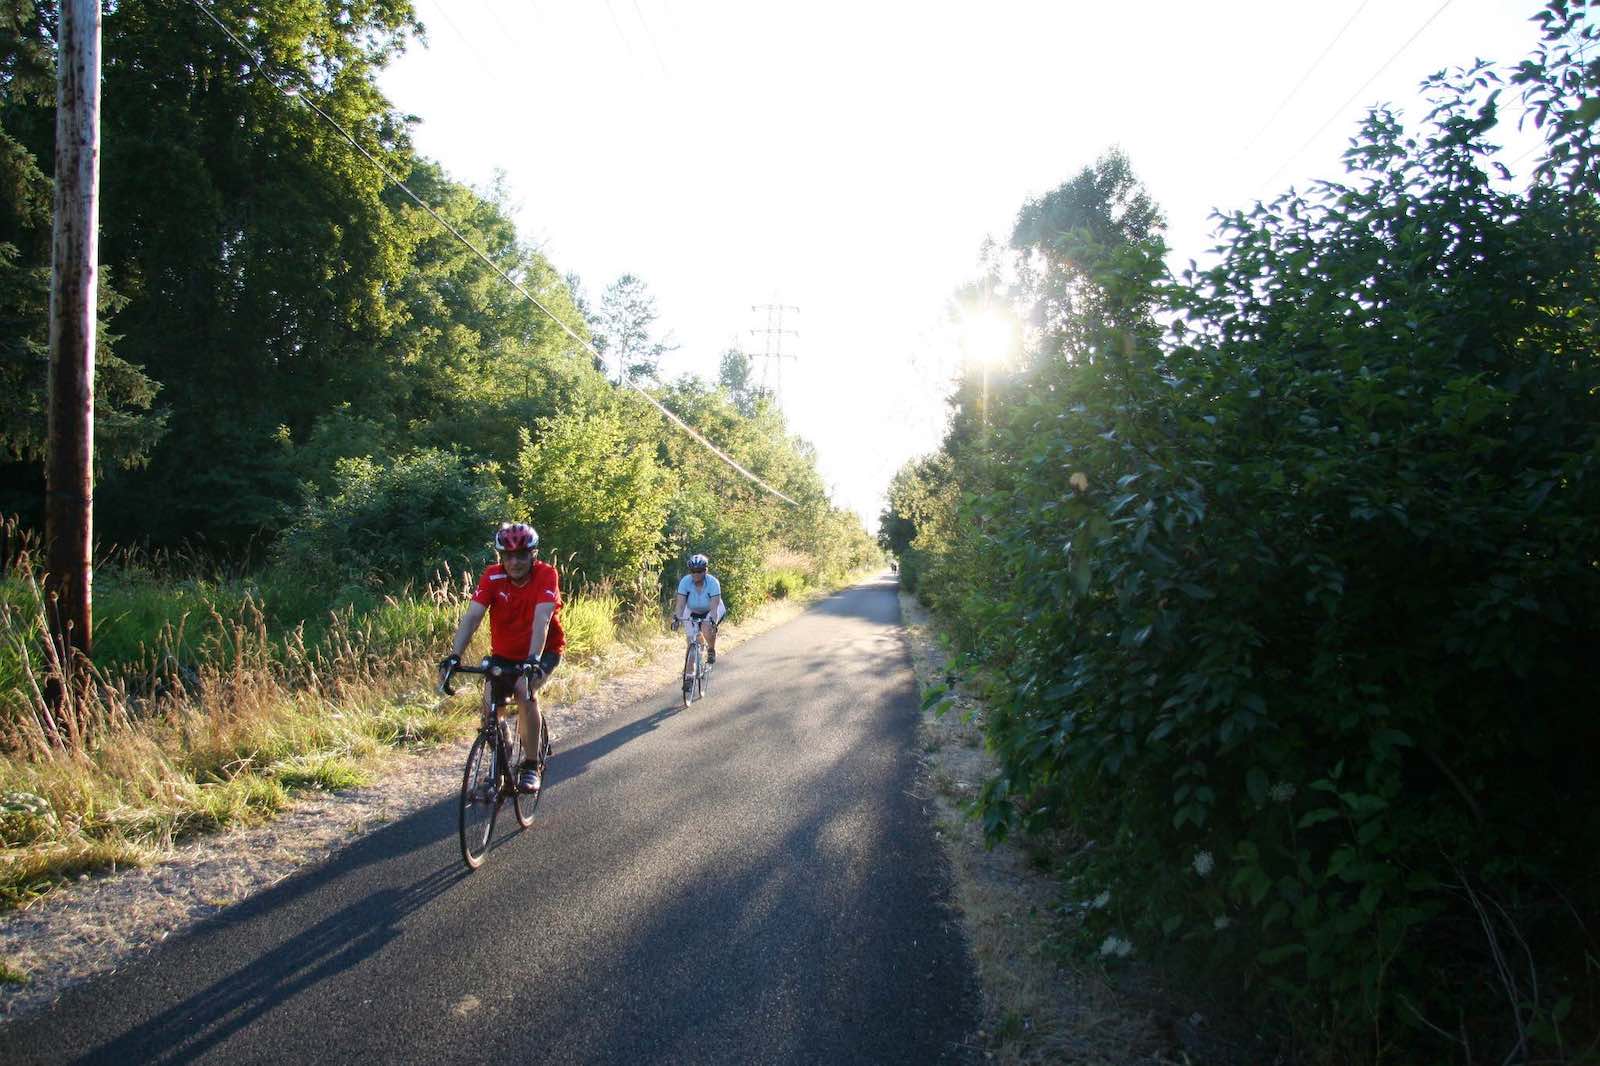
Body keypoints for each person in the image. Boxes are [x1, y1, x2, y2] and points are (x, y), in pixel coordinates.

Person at [439, 521, 564, 793]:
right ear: (501, 557)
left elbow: (542, 619)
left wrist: (533, 658)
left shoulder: (546, 574)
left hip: (542, 652)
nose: (515, 562)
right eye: (508, 556)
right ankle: (502, 754)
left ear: (533, 555)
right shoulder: (492, 576)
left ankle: (531, 765)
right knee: (490, 708)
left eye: (522, 555)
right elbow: (473, 616)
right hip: (505, 654)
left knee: (524, 690)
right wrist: (454, 656)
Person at [671, 552, 725, 664]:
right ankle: (689, 677)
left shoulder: (713, 583)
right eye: (693, 571)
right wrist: (676, 619)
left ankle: (711, 649)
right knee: (691, 641)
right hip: (692, 609)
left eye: (699, 571)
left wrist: (713, 623)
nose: (696, 574)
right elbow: (680, 604)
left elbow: (714, 608)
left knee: (706, 627)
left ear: (706, 570)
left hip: (711, 609)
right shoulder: (685, 582)